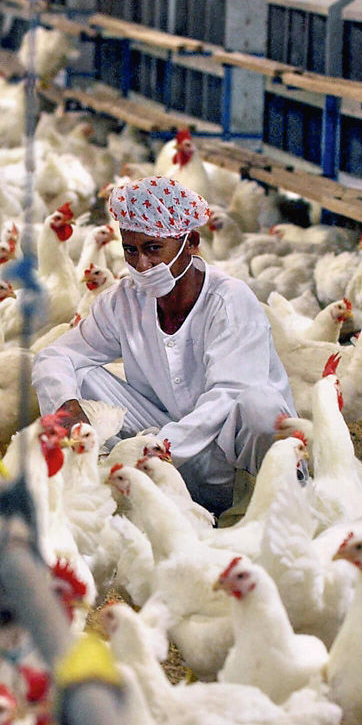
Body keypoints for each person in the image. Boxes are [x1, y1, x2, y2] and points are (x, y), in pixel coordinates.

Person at [32, 176, 296, 517]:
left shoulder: (228, 300)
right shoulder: (123, 300)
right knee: (76, 378)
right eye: (131, 250)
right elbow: (55, 356)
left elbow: (229, 394)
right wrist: (68, 411)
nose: (141, 264)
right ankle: (108, 487)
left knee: (261, 406)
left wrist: (160, 447)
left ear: (191, 243)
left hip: (228, 462)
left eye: (153, 248)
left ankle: (268, 507)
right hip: (161, 455)